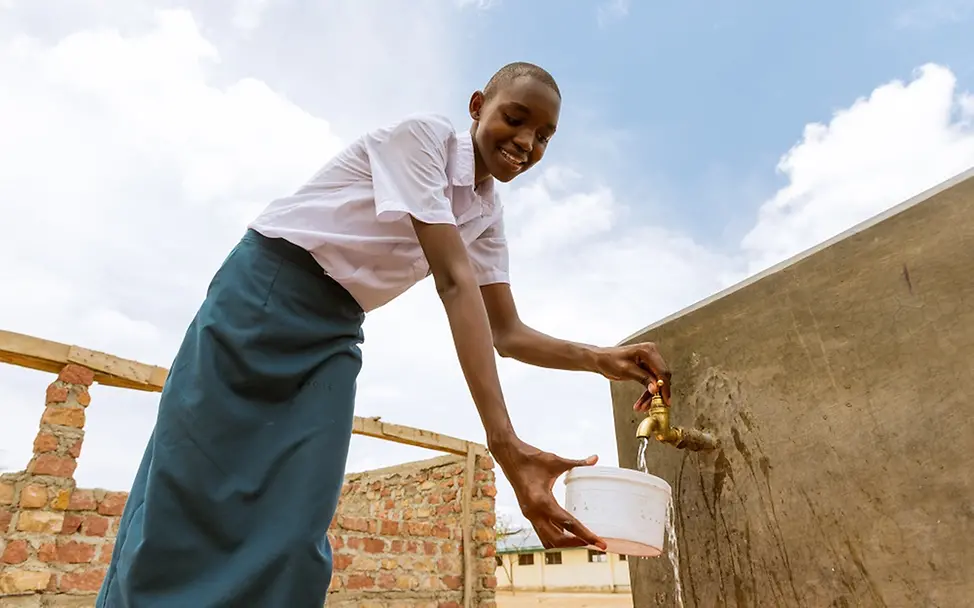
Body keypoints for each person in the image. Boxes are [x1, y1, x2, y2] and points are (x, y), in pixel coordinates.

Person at [96, 61, 672, 607]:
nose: (526, 142)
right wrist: (505, 444)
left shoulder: (486, 215)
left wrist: (600, 358)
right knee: (189, 484)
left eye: (544, 136)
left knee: (297, 521)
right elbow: (454, 282)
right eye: (515, 118)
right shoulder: (424, 140)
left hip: (336, 330)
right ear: (477, 106)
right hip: (265, 289)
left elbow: (508, 332)